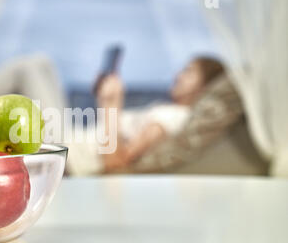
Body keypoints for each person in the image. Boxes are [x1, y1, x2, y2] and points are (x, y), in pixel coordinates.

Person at [94, 56, 225, 173]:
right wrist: (104, 99)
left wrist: (111, 103)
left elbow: (114, 164)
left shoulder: (173, 116)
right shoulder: (173, 112)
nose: (178, 75)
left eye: (188, 71)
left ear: (205, 87)